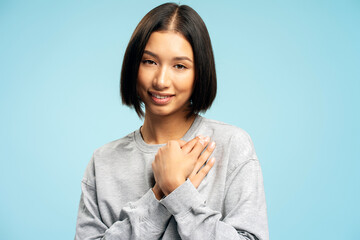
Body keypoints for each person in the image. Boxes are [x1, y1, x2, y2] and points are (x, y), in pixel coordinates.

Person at [75, 3, 268, 240]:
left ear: (200, 73)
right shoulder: (103, 162)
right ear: (133, 66)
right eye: (150, 62)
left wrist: (179, 191)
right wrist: (159, 195)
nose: (161, 80)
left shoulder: (232, 146)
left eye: (179, 66)